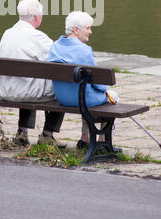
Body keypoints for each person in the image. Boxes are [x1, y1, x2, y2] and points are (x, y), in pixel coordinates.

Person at [0, 0, 65, 147]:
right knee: (62, 88)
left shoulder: (7, 33)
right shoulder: (37, 37)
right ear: (37, 17)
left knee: (27, 81)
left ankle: (22, 132)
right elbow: (60, 59)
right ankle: (47, 134)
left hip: (4, 90)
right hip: (26, 93)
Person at [48, 11, 119, 149]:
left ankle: (84, 138)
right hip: (82, 100)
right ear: (76, 30)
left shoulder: (55, 46)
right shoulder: (84, 51)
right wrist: (107, 90)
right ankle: (102, 139)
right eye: (88, 28)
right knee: (111, 96)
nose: (90, 32)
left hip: (62, 98)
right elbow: (99, 84)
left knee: (83, 91)